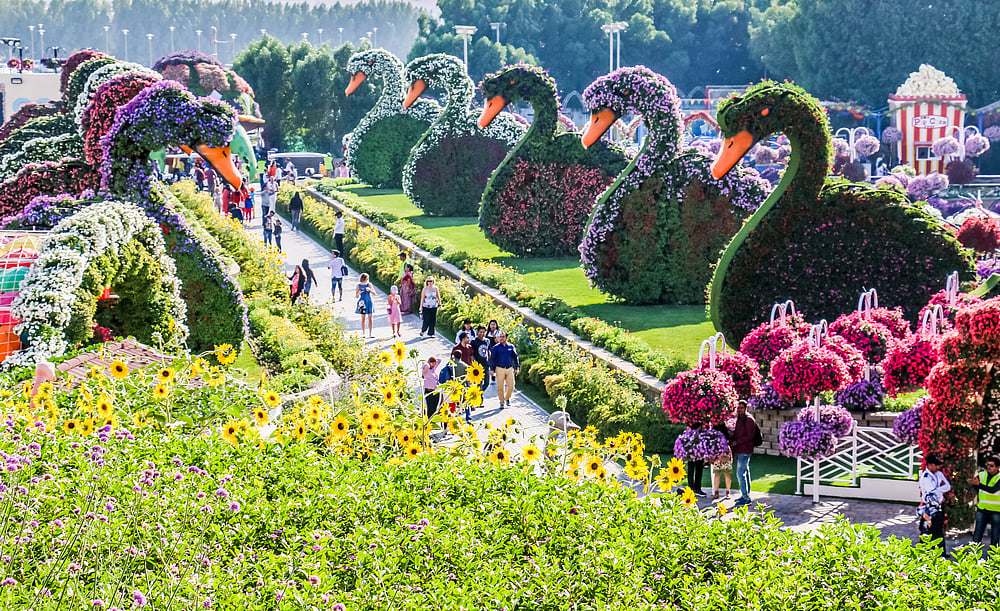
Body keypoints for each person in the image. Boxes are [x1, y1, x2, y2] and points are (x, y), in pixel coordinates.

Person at [919, 453, 951, 557]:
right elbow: (931, 492)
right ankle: (925, 554)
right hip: (929, 507)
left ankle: (941, 553)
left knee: (939, 530)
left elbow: (948, 486)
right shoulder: (925, 477)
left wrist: (937, 489)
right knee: (928, 530)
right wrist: (939, 489)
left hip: (939, 507)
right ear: (930, 465)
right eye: (936, 465)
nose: (938, 467)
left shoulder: (939, 474)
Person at [730, 400, 760, 508]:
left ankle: (746, 498)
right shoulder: (739, 419)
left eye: (741, 408)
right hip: (740, 450)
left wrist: (737, 442)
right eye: (738, 408)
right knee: (745, 472)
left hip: (745, 450)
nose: (739, 410)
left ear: (746, 408)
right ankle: (745, 494)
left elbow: (749, 436)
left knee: (740, 473)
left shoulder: (748, 420)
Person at [969, 456, 1000, 556]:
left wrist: (979, 485)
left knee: (995, 536)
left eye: (992, 466)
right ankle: (973, 556)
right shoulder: (982, 475)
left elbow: (993, 489)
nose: (989, 467)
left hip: (996, 510)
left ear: (997, 468)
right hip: (982, 509)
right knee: (977, 533)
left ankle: (993, 558)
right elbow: (975, 484)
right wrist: (976, 484)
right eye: (988, 465)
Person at [489, 332, 519, 408]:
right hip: (499, 369)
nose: (501, 338)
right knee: (500, 387)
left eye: (503, 337)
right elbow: (492, 359)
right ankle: (501, 402)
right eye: (500, 337)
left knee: (511, 386)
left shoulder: (511, 346)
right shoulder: (496, 348)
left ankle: (507, 398)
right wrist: (491, 369)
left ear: (506, 338)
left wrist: (517, 367)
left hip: (509, 369)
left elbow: (515, 357)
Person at [711, 421, 733, 500]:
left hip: (723, 455)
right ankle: (720, 492)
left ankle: (726, 492)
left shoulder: (724, 429)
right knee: (720, 474)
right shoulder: (716, 430)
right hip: (719, 455)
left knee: (724, 474)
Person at [685, 425, 707, 497]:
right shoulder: (690, 419)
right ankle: (691, 488)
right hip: (691, 446)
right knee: (691, 468)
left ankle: (697, 488)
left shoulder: (701, 420)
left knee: (699, 468)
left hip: (700, 446)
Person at [421, 356, 443, 428]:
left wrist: (434, 361)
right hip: (429, 391)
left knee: (435, 408)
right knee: (430, 408)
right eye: (433, 363)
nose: (435, 365)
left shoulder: (433, 369)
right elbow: (425, 366)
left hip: (436, 391)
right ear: (430, 363)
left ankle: (432, 423)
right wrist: (428, 363)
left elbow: (439, 360)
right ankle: (428, 423)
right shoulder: (426, 370)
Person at [470, 326, 491, 391]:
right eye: (480, 332)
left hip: (486, 365)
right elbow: (472, 353)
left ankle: (480, 393)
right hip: (478, 366)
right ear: (477, 332)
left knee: (487, 383)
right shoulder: (474, 341)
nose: (482, 334)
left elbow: (489, 350)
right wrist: (474, 363)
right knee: (479, 383)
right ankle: (479, 397)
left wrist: (490, 359)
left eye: (483, 332)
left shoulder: (487, 341)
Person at [356, 272, 375, 338]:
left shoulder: (369, 284)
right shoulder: (358, 285)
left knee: (370, 318)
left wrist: (370, 290)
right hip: (362, 302)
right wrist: (359, 292)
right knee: (363, 318)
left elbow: (374, 293)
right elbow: (356, 296)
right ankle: (363, 333)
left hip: (369, 301)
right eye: (367, 278)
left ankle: (370, 333)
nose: (368, 279)